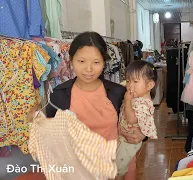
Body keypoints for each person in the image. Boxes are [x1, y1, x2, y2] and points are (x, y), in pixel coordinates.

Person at [45, 31, 146, 180]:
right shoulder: (58, 95)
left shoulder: (118, 92)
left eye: (96, 62)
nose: (89, 69)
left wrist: (142, 135)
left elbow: (138, 124)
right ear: (71, 60)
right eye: (81, 61)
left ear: (104, 62)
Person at [116, 61, 158, 180]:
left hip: (129, 141)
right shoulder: (138, 97)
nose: (130, 86)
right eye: (129, 81)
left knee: (119, 168)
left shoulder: (143, 102)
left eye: (135, 81)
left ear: (150, 85)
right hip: (124, 138)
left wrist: (127, 101)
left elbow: (131, 119)